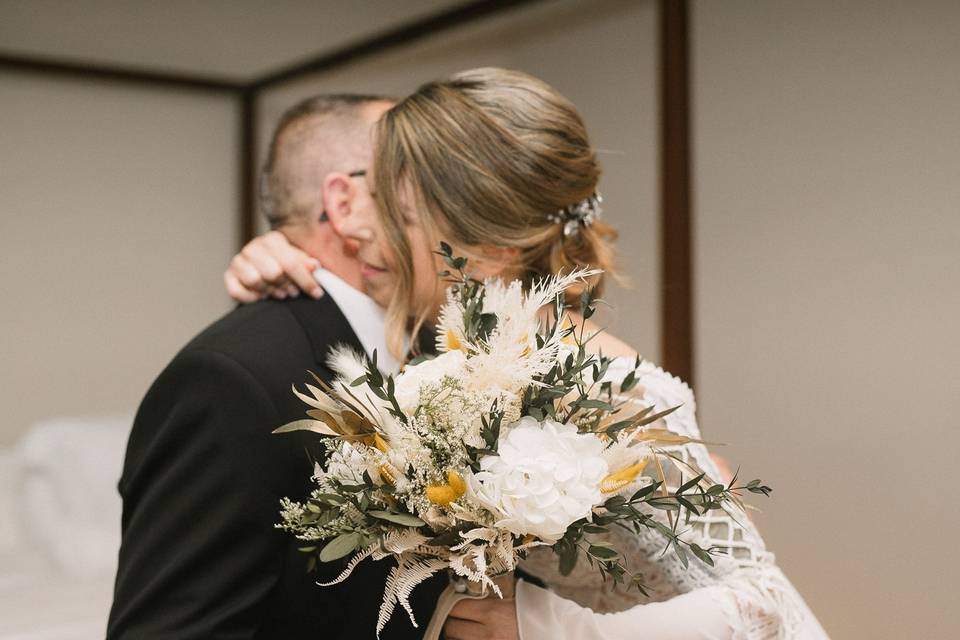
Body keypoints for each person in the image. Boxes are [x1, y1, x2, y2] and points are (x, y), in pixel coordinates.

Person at [225, 68, 830, 638]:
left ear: (487, 246)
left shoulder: (598, 380)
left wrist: (555, 628)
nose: (364, 231)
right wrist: (278, 255)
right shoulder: (442, 356)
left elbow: (762, 603)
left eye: (399, 216)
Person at [107, 94, 444, 639]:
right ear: (346, 201)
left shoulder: (442, 341)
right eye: (426, 175)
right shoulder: (230, 379)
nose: (452, 199)